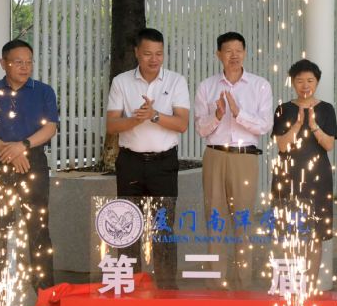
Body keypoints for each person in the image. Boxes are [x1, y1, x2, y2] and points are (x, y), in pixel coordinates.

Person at [0, 39, 59, 298]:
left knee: (38, 226)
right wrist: (8, 152)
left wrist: (22, 146)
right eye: (18, 62)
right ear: (3, 63)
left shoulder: (43, 91)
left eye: (29, 62)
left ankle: (45, 289)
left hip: (34, 160)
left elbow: (50, 128)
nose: (25, 67)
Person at [105, 28, 190, 288]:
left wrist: (153, 115)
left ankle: (166, 288)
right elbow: (112, 125)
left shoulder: (176, 81)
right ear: (136, 53)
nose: (154, 59)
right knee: (127, 227)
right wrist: (135, 119)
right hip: (130, 163)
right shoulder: (121, 82)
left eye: (159, 54)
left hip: (164, 164)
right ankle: (129, 285)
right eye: (148, 54)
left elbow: (182, 124)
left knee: (163, 228)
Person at [194, 31, 273, 289]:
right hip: (215, 155)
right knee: (215, 219)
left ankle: (242, 284)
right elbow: (200, 128)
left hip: (244, 157)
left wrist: (238, 113)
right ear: (219, 54)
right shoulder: (207, 86)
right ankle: (216, 284)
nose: (234, 56)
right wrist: (217, 116)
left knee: (243, 221)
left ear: (245, 53)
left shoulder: (260, 85)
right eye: (228, 51)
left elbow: (265, 125)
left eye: (239, 50)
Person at [271, 59, 337, 288]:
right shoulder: (283, 109)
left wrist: (314, 125)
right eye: (300, 81)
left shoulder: (326, 109)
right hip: (287, 177)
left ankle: (309, 286)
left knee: (314, 235)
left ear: (317, 82)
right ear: (292, 82)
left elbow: (329, 145)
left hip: (318, 179)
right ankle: (291, 285)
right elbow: (282, 146)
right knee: (289, 233)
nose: (305, 85)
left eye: (310, 80)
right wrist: (298, 125)